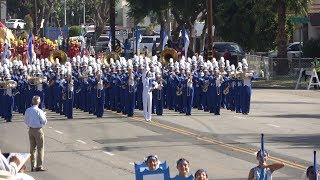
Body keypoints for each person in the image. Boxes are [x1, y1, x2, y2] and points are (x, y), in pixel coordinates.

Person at [24, 96, 47, 172]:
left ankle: (33, 166)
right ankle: (39, 166)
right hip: (38, 130)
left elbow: (26, 121)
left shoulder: (28, 110)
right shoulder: (39, 111)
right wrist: (44, 116)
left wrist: (30, 125)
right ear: (39, 102)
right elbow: (44, 122)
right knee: (40, 148)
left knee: (32, 148)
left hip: (30, 130)